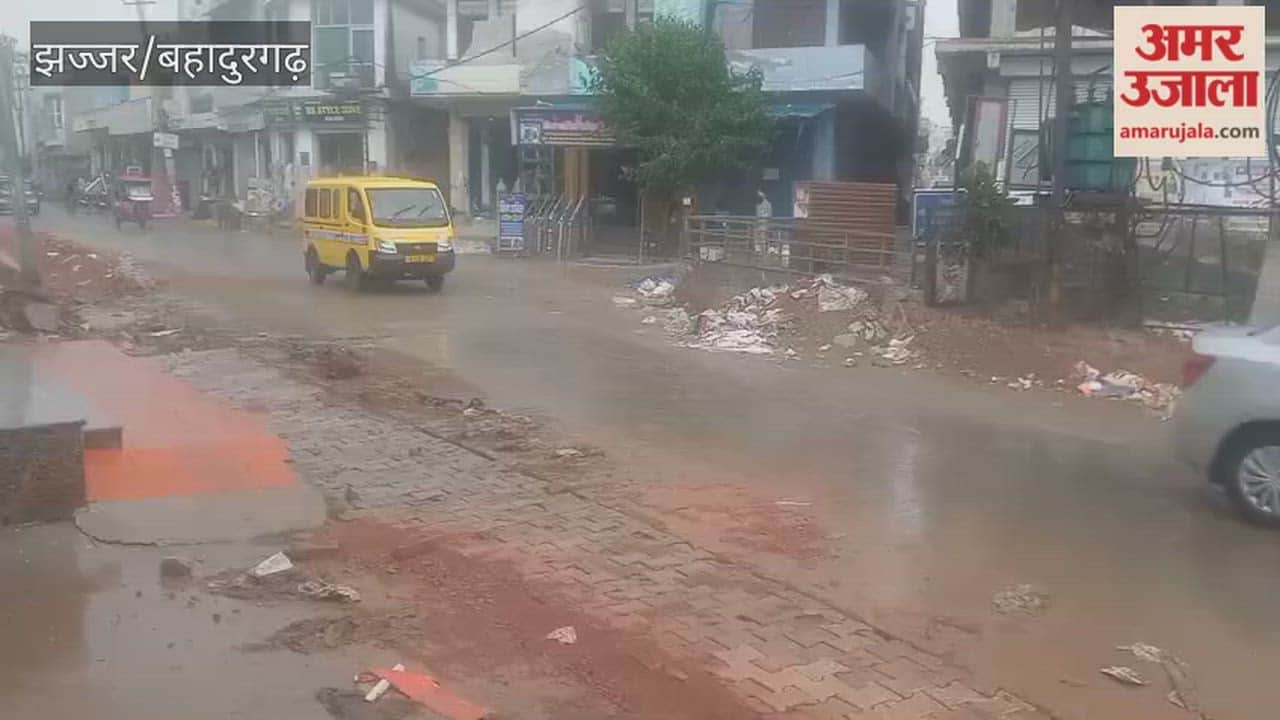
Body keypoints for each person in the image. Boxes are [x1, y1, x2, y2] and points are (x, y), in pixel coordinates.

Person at [754, 189, 772, 256]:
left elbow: (769, 215)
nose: (759, 196)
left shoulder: (768, 204)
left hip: (764, 225)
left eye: (760, 195)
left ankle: (764, 253)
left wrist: (764, 219)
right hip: (758, 224)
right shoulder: (757, 205)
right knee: (757, 239)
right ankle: (758, 252)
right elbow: (757, 215)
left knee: (763, 239)